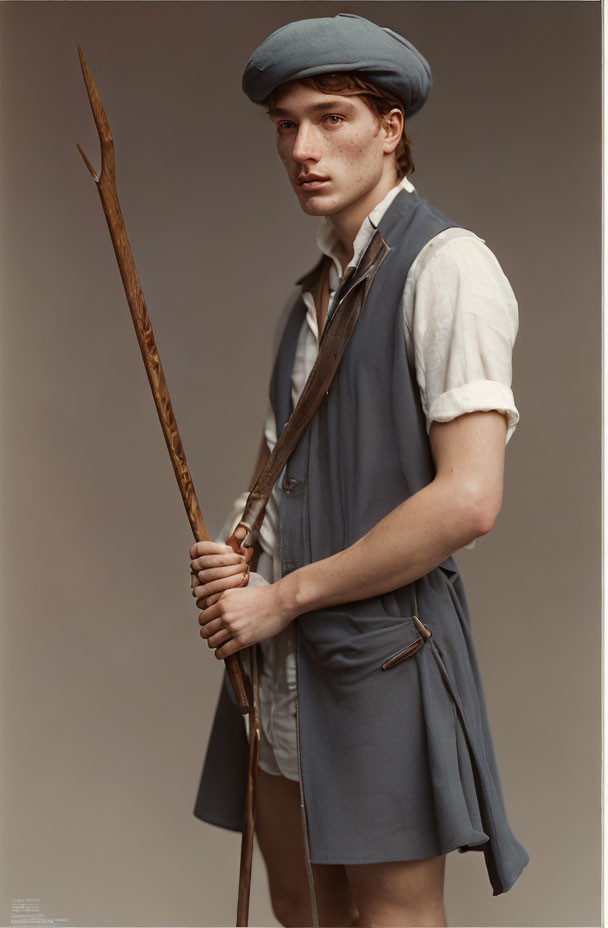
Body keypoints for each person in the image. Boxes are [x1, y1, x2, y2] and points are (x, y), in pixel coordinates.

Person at [190, 13, 529, 928]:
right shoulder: (313, 295)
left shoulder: (449, 268)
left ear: (390, 128)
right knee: (302, 910)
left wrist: (284, 594)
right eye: (286, 124)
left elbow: (467, 500)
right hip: (282, 658)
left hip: (384, 654)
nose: (303, 146)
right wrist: (238, 558)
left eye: (332, 117)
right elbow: (274, 482)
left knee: (390, 921)